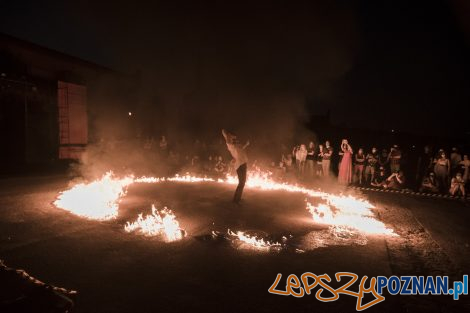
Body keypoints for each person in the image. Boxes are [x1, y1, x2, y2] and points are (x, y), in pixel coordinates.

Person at [222, 129, 249, 204]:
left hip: (244, 163)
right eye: (234, 139)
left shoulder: (238, 146)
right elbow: (227, 139)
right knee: (241, 182)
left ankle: (238, 199)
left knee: (242, 182)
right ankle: (236, 200)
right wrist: (227, 135)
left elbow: (242, 148)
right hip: (239, 165)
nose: (237, 140)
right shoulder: (231, 147)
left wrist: (246, 144)